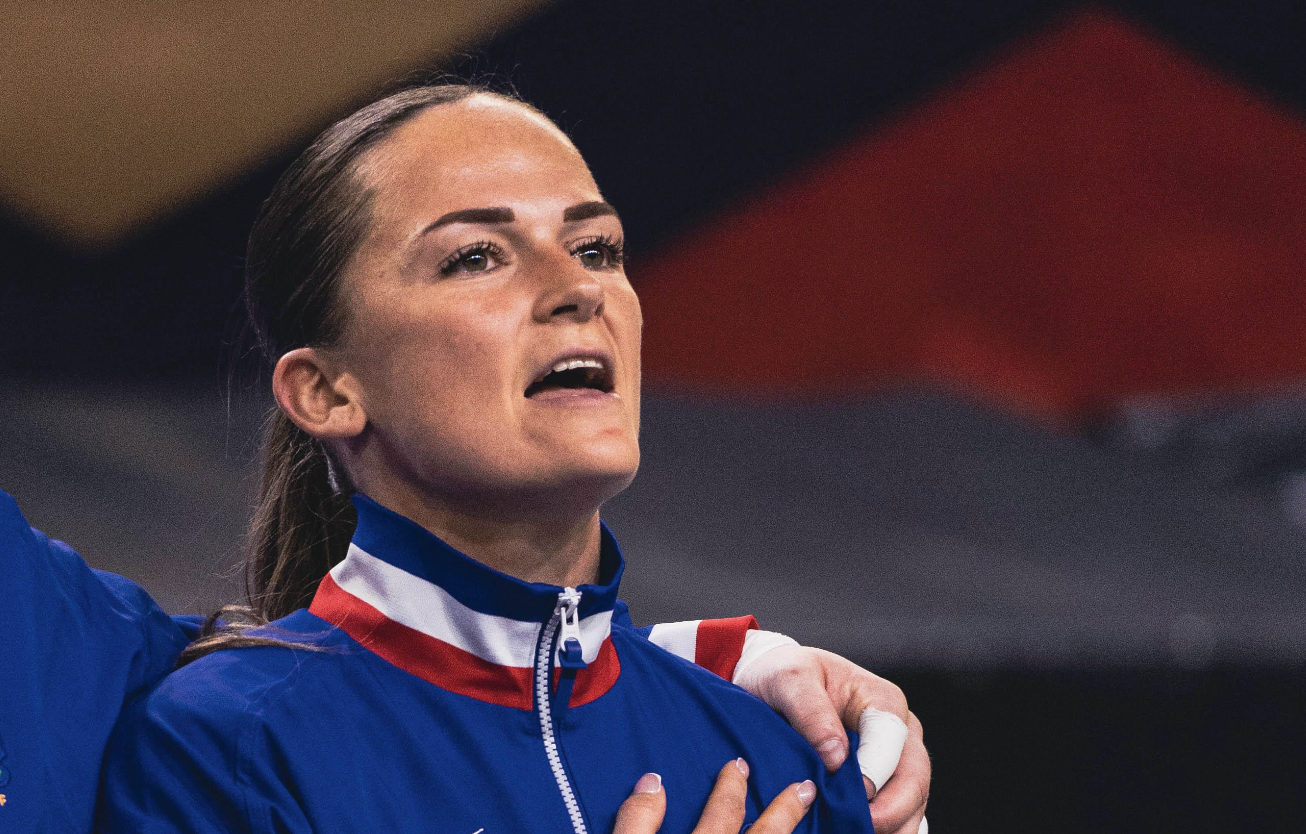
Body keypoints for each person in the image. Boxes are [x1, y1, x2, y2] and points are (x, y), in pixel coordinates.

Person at [0, 83, 927, 833]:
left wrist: (697, 663)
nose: (576, 289)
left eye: (596, 246)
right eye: (477, 257)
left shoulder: (788, 755)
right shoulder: (232, 747)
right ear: (326, 393)